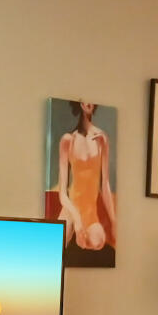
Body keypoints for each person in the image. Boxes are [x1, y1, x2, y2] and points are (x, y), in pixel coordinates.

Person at [54, 101, 114, 253]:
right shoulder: (68, 140)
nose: (88, 103)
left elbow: (105, 185)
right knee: (55, 246)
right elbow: (62, 194)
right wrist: (77, 220)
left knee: (98, 242)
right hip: (71, 208)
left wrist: (114, 221)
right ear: (78, 104)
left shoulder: (102, 139)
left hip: (90, 213)